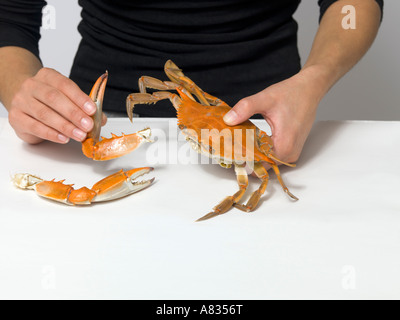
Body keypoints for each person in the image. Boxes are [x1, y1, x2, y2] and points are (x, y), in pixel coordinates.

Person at [0, 0, 383, 166]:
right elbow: (10, 16)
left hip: (263, 123)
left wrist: (313, 80)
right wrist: (20, 86)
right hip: (96, 128)